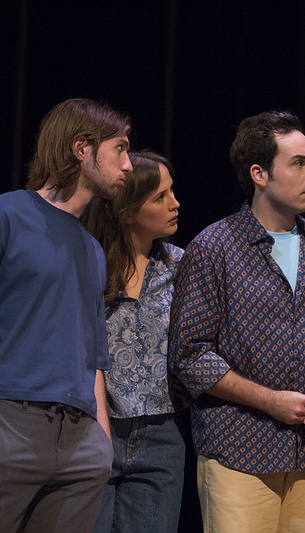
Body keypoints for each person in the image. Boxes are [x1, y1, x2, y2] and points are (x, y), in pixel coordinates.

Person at [0, 98, 133, 532]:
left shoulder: (93, 250)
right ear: (82, 147)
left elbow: (93, 357)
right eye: (119, 149)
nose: (129, 165)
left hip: (81, 441)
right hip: (10, 426)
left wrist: (100, 442)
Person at [168, 111, 305, 533]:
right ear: (259, 173)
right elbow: (190, 355)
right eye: (299, 164)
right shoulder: (215, 247)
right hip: (239, 451)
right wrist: (270, 400)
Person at [82, 151, 186, 533]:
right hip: (93, 430)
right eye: (160, 197)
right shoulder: (89, 266)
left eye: (172, 192)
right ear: (127, 211)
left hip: (160, 436)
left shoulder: (182, 268)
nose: (175, 204)